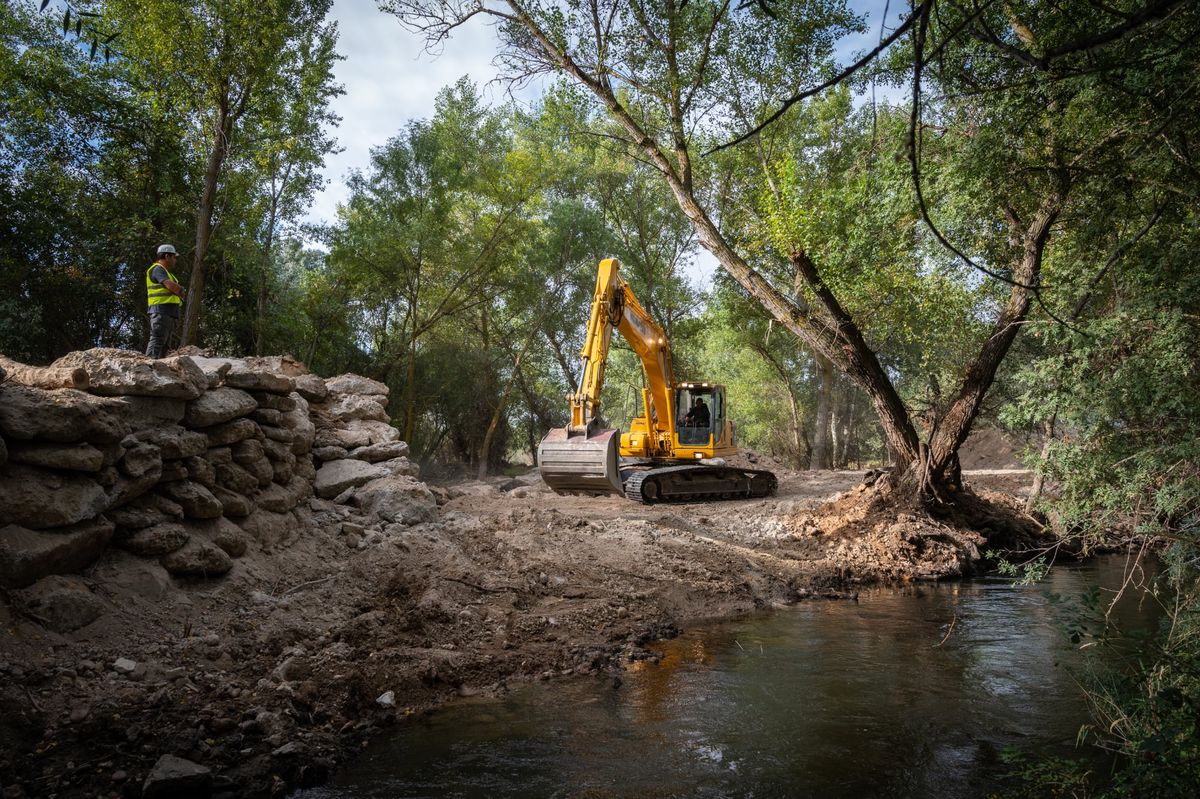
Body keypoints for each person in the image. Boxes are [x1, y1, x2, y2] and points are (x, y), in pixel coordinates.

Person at [145, 244, 186, 358]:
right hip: (161, 311)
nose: (175, 260)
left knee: (165, 345)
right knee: (157, 340)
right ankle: (148, 366)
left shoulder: (165, 272)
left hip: (168, 312)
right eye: (174, 257)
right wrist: (180, 290)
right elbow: (171, 287)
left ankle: (159, 369)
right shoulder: (157, 269)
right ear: (167, 256)